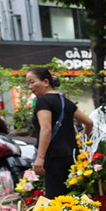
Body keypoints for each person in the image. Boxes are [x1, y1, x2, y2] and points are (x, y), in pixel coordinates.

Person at [26, 67, 93, 198]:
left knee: (56, 200)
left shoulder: (43, 101)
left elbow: (46, 129)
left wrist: (40, 157)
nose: (30, 86)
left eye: (32, 82)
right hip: (72, 157)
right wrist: (81, 140)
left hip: (53, 158)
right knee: (72, 199)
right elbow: (89, 123)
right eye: (28, 83)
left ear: (46, 82)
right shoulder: (66, 102)